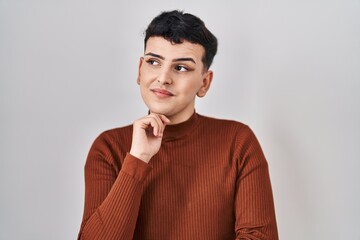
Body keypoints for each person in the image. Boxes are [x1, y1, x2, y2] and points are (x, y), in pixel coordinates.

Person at [78, 10, 278, 240]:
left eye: (181, 67)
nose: (163, 78)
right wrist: (137, 160)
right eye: (154, 62)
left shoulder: (238, 142)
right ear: (139, 70)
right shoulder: (108, 148)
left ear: (205, 83)